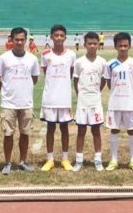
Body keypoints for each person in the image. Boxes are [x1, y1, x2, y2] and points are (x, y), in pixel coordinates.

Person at [0, 27, 40, 175]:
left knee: (25, 134)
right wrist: (7, 91)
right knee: (8, 134)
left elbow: (35, 78)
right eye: (16, 39)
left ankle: (22, 162)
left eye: (22, 39)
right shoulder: (3, 58)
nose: (19, 42)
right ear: (11, 40)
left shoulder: (32, 58)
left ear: (26, 40)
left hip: (26, 103)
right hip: (9, 104)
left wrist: (23, 89)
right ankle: (7, 163)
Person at [104, 32, 133, 172]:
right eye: (120, 46)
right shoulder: (110, 64)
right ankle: (114, 160)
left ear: (130, 46)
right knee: (114, 130)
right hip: (115, 103)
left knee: (132, 131)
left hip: (130, 103)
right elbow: (109, 83)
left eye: (126, 45)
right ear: (115, 47)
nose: (123, 48)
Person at [40, 24, 76, 172]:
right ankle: (50, 160)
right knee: (50, 128)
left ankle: (65, 159)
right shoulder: (45, 54)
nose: (59, 38)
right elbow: (45, 73)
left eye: (62, 35)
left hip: (64, 98)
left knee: (64, 128)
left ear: (65, 37)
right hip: (50, 98)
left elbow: (70, 74)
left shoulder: (71, 55)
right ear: (51, 37)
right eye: (56, 35)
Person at [72, 32, 106, 172]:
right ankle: (79, 160)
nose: (92, 46)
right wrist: (80, 94)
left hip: (95, 100)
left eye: (94, 43)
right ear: (85, 44)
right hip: (82, 101)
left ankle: (98, 160)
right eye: (89, 44)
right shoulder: (79, 62)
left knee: (96, 130)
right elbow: (75, 80)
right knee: (81, 130)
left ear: (98, 44)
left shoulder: (102, 62)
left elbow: (103, 80)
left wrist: (97, 91)